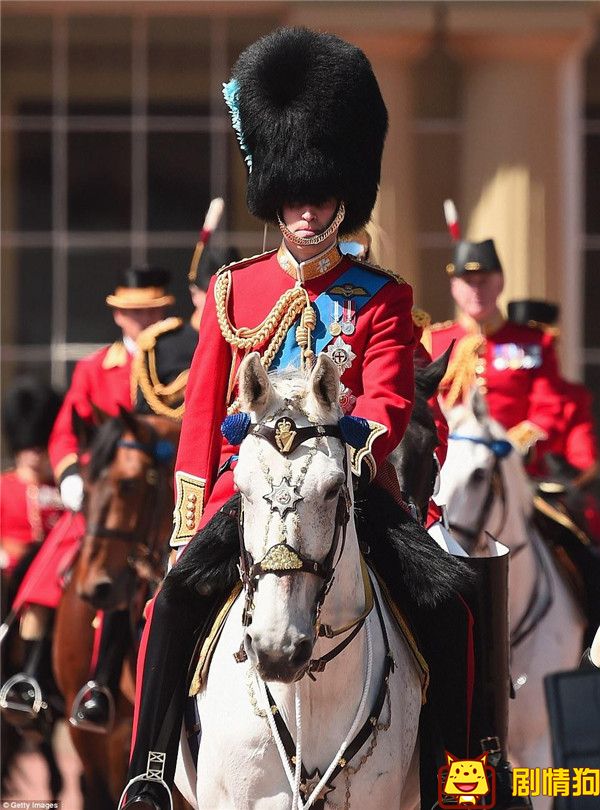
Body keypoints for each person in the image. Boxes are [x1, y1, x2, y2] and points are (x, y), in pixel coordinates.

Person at [119, 26, 426, 810]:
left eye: (319, 194)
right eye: (293, 195)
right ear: (276, 196)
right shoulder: (234, 289)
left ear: (341, 196)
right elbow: (198, 419)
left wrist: (356, 448)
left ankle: (470, 771)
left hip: (347, 487)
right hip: (247, 493)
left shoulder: (379, 295)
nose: (306, 208)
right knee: (171, 603)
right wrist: (191, 518)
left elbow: (390, 396)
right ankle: (150, 773)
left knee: (451, 606)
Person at [2, 267, 173, 723]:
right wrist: (72, 475)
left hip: (161, 499)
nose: (142, 320)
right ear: (119, 316)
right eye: (134, 313)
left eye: (150, 311)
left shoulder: (177, 365)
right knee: (49, 573)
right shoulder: (94, 369)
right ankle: (35, 678)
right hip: (104, 498)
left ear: (163, 312)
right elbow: (63, 435)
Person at [423, 238, 565, 475]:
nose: (477, 290)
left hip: (517, 468)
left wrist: (516, 445)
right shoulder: (432, 341)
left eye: (484, 281)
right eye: (468, 282)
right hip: (449, 470)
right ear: (454, 286)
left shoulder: (534, 341)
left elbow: (549, 406)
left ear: (500, 282)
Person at [0, 379, 63, 582]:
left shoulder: (62, 490)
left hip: (54, 577)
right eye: (30, 446)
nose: (36, 452)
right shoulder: (4, 487)